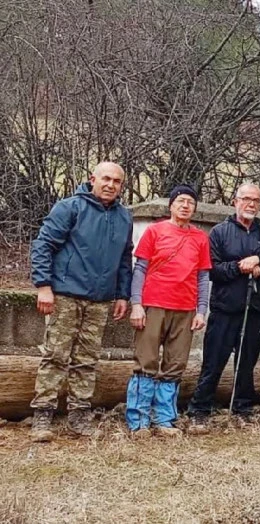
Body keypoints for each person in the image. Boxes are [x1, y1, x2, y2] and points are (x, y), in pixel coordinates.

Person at [28, 162, 134, 442]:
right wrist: (43, 286)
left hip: (100, 301)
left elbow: (125, 259)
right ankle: (43, 415)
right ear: (92, 180)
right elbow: (43, 245)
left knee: (86, 360)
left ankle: (79, 414)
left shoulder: (124, 216)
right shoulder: (70, 207)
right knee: (55, 356)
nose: (111, 185)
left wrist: (123, 294)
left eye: (117, 181)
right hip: (65, 295)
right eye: (106, 179)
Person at [187, 183, 260, 434]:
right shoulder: (219, 232)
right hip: (224, 307)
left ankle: (242, 407)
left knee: (247, 361)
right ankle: (199, 409)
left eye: (256, 200)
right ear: (235, 201)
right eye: (246, 199)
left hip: (255, 308)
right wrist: (240, 267)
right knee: (213, 361)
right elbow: (213, 270)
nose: (250, 204)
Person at [126, 185, 212, 437]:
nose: (185, 206)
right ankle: (139, 420)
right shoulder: (155, 231)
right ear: (171, 205)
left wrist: (201, 311)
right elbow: (140, 269)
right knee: (146, 362)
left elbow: (203, 277)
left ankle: (164, 419)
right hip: (153, 304)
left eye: (190, 202)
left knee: (175, 364)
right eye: (181, 201)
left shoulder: (200, 238)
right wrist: (136, 304)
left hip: (185, 308)